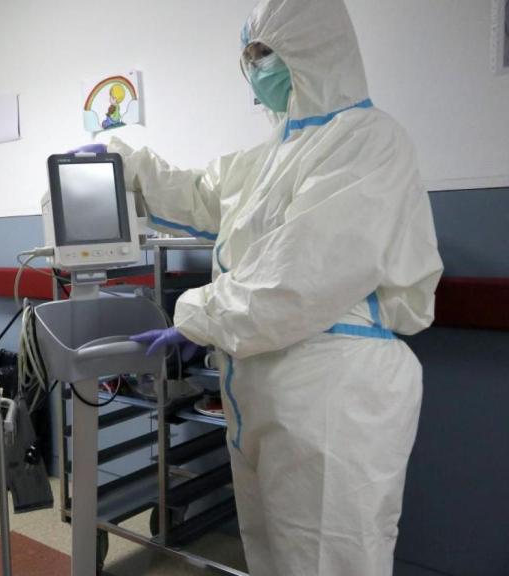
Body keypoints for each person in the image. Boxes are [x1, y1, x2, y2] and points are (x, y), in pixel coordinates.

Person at [114, 1, 444, 574]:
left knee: (329, 559)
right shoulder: (274, 155)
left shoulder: (368, 140)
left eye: (265, 52)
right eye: (249, 56)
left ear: (317, 48)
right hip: (268, 389)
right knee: (272, 554)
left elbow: (293, 284)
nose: (256, 68)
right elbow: (200, 194)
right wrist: (125, 162)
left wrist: (193, 314)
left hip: (331, 395)